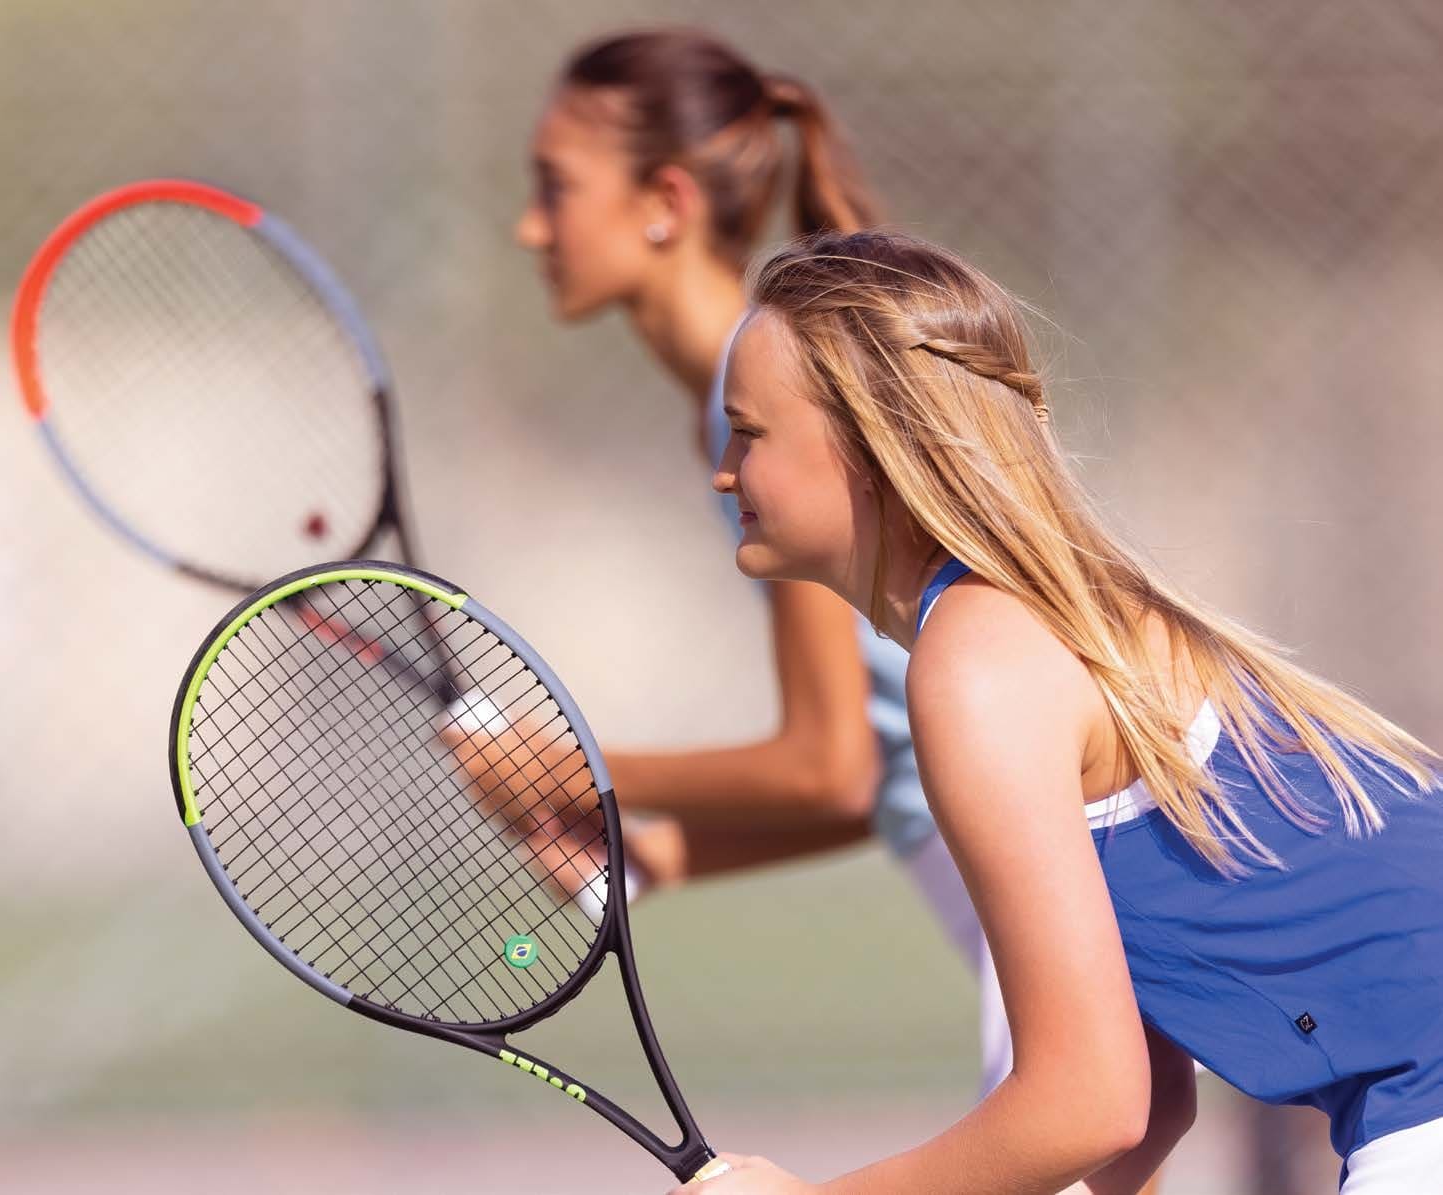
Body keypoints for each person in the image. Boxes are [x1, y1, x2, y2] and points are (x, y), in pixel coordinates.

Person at [665, 227, 1443, 1193]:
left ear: (869, 447)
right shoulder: (1025, 630)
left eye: (749, 430)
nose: (723, 468)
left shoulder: (978, 665)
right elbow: (1142, 1110)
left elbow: (1088, 1102)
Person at [508, 26, 1024, 1107]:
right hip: (1026, 881)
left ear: (664, 202)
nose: (527, 227)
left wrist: (576, 769)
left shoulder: (764, 416)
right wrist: (654, 852)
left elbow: (825, 762)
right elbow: (869, 783)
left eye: (554, 188)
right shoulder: (751, 403)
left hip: (1055, 878)